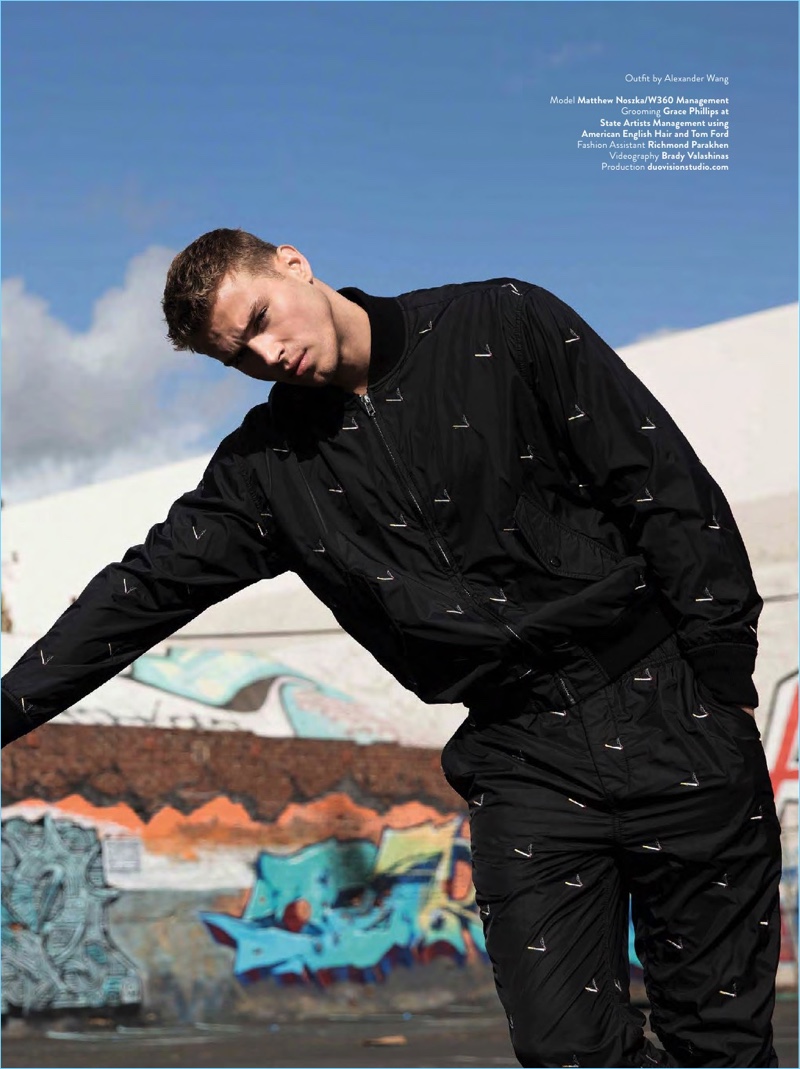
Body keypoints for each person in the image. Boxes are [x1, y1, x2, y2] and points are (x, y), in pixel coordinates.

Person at [1, 229, 780, 1068]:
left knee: (720, 1042)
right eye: (240, 356)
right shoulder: (268, 470)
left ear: (293, 263)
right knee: (564, 1047)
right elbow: (140, 592)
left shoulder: (501, 323)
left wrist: (722, 677)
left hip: (669, 704)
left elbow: (662, 483)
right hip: (523, 755)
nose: (269, 355)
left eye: (261, 319)